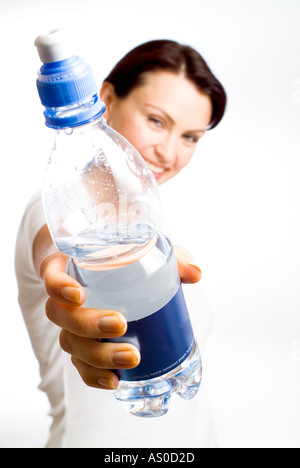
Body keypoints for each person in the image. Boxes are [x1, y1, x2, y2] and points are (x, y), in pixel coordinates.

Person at [15, 39, 226, 448]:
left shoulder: (148, 217)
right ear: (106, 98)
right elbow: (56, 250)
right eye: (157, 121)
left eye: (191, 137)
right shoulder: (57, 214)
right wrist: (63, 271)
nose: (169, 153)